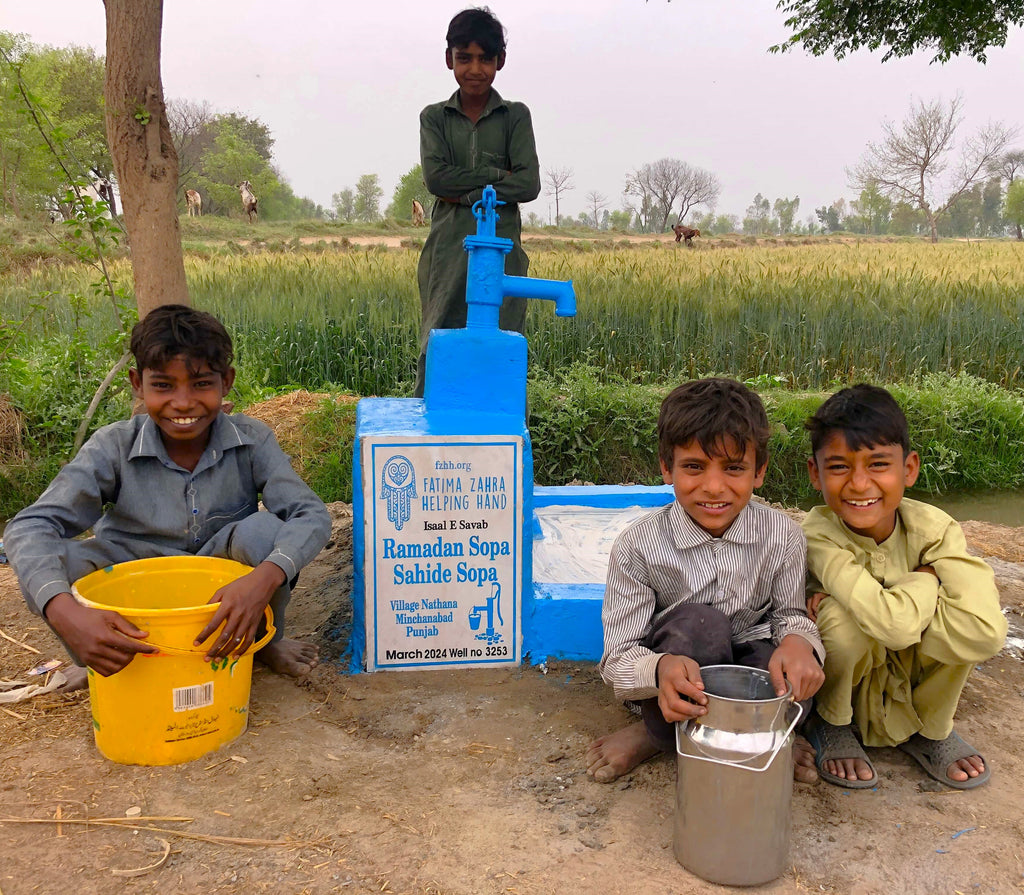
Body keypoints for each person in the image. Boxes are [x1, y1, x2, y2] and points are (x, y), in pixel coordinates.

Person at [3, 305, 332, 692]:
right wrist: (64, 613)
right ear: (137, 384)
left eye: (201, 384)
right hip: (137, 581)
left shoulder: (252, 439)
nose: (183, 402)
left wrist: (264, 579)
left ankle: (263, 643)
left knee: (264, 533)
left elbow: (310, 514)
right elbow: (29, 526)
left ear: (226, 382)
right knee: (61, 559)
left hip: (219, 581)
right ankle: (99, 652)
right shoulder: (112, 447)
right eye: (163, 385)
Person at [586, 378, 824, 784]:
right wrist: (660, 669)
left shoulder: (783, 536)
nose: (714, 487)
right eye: (694, 467)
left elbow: (790, 615)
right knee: (702, 623)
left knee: (783, 663)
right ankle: (656, 734)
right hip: (676, 682)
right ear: (667, 468)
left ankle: (771, 732)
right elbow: (617, 659)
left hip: (748, 665)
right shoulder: (638, 546)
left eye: (734, 469)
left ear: (760, 471)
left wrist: (801, 641)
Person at [801, 384, 1007, 789]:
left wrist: (900, 596)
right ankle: (831, 722)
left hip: (908, 667)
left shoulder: (936, 529)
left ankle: (930, 727)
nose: (860, 484)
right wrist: (927, 579)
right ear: (815, 473)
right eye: (839, 467)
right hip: (856, 678)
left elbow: (986, 631)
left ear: (909, 468)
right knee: (842, 622)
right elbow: (892, 627)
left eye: (878, 464)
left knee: (966, 626)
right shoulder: (819, 533)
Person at [414, 6, 541, 397]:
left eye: (485, 58)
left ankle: (501, 450)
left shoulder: (515, 116)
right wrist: (498, 177)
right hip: (447, 254)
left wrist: (463, 189)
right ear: (448, 58)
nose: (475, 68)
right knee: (438, 346)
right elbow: (437, 179)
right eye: (464, 57)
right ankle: (432, 450)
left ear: (500, 61)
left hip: (503, 255)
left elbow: (530, 184)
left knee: (501, 351)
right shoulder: (434, 118)